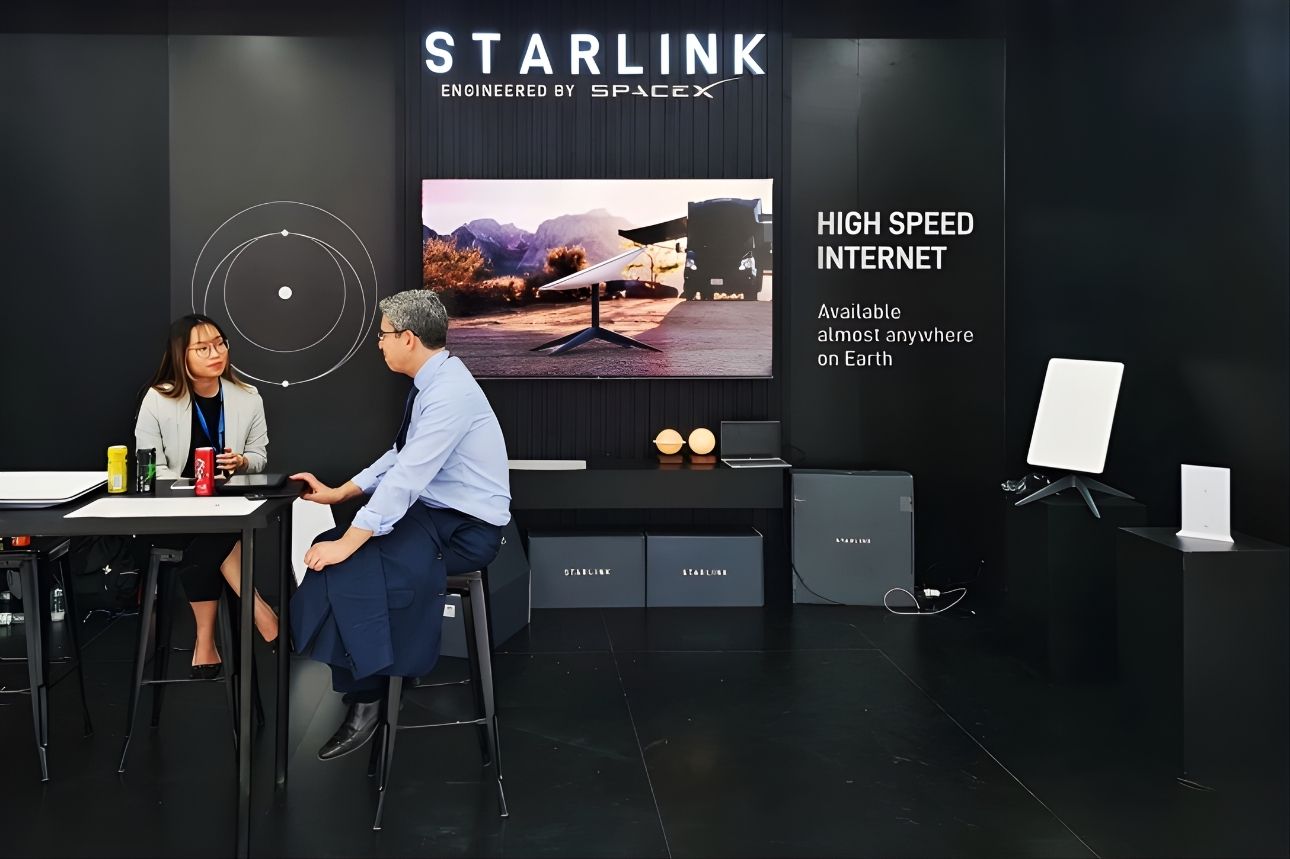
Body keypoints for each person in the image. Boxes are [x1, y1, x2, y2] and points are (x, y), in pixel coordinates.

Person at [289, 289, 511, 761]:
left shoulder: (449, 394)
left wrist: (351, 542)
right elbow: (400, 455)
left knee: (347, 558)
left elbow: (407, 478)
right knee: (332, 543)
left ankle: (369, 697)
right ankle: (369, 678)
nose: (379, 343)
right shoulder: (434, 381)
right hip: (435, 516)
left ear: (408, 338)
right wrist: (342, 493)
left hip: (466, 531)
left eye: (383, 335)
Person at [134, 314, 279, 678]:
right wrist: (191, 489)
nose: (216, 353)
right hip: (173, 510)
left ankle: (205, 640)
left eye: (219, 344)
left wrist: (242, 461)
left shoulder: (247, 397)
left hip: (226, 505)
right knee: (214, 535)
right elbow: (149, 466)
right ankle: (260, 612)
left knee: (215, 534)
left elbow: (259, 456)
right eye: (202, 348)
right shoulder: (158, 398)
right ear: (181, 354)